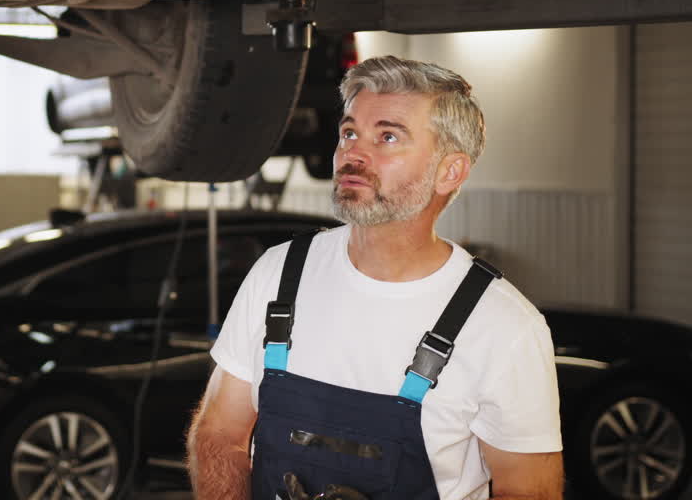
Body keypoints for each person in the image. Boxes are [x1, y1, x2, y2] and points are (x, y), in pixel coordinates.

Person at [187, 56, 563, 500]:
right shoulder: (277, 273)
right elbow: (219, 435)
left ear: (450, 171)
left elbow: (527, 491)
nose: (353, 154)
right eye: (349, 133)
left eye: (387, 137)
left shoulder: (504, 325)